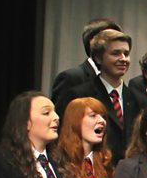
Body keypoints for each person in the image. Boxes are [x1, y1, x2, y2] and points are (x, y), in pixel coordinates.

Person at [58, 29, 142, 163]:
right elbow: (66, 137)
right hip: (91, 171)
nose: (123, 59)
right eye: (116, 53)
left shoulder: (137, 99)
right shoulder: (79, 95)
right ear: (98, 58)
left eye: (126, 54)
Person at [50, 18, 120, 105]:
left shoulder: (117, 82)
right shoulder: (71, 78)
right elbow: (61, 116)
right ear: (93, 43)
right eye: (111, 39)